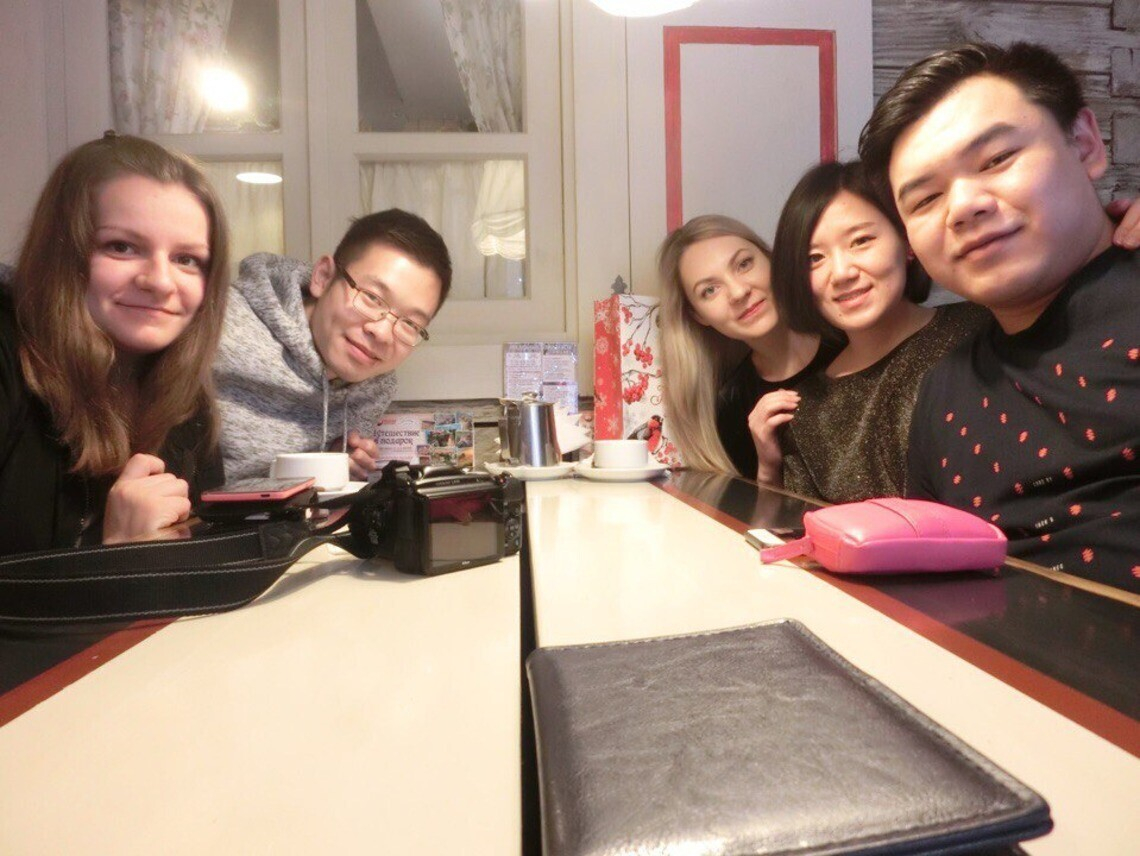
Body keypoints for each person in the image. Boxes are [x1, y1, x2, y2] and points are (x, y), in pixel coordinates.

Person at [859, 41, 1140, 590]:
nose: (964, 207)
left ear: (1084, 144)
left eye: (996, 159)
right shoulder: (943, 390)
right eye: (925, 200)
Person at [0, 133, 229, 554]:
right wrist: (118, 558)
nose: (160, 282)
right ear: (61, 253)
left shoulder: (187, 403)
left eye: (186, 259)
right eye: (121, 247)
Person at [762, 160, 988, 502]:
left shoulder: (982, 328)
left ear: (906, 241)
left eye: (861, 240)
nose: (842, 273)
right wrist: (767, 468)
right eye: (814, 259)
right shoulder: (806, 410)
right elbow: (805, 529)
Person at [214, 209, 451, 482]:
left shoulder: (376, 384)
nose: (383, 333)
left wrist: (341, 457)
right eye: (372, 298)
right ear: (323, 277)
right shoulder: (219, 327)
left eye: (410, 324)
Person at [657, 215, 842, 480]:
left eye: (744, 264)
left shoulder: (848, 334)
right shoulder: (733, 407)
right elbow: (761, 508)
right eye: (709, 290)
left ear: (771, 259)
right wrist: (767, 466)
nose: (738, 292)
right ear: (698, 316)